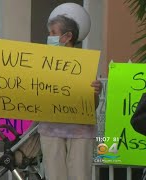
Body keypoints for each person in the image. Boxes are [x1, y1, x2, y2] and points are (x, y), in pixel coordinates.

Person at [37, 14, 101, 180]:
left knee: (80, 175)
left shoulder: (84, 64)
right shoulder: (41, 61)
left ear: (67, 37)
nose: (49, 37)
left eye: (52, 33)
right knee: (54, 175)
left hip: (80, 131)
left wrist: (95, 92)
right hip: (51, 129)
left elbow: (92, 105)